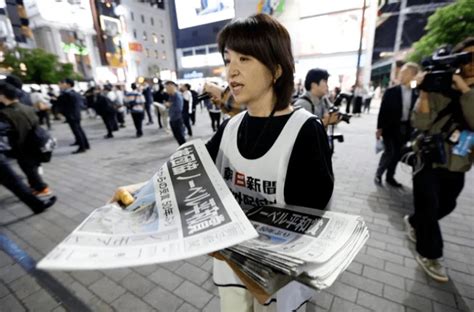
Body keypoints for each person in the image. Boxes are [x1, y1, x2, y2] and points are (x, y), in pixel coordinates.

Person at [111, 14, 333, 312]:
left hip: (278, 283)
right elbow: (189, 177)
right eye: (228, 60)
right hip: (230, 273)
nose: (232, 71)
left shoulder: (306, 129)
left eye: (245, 58)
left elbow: (309, 217)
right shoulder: (230, 127)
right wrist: (138, 194)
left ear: (276, 69)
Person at [404, 37, 474, 283]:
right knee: (429, 206)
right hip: (429, 158)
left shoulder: (469, 91)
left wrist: (465, 90)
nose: (471, 62)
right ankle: (431, 254)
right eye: (467, 57)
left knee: (447, 204)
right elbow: (420, 122)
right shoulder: (438, 84)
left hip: (458, 161)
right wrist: (424, 93)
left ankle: (414, 221)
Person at [0, 82, 53, 197]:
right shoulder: (27, 107)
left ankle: (41, 188)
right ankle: (37, 186)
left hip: (23, 147)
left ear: (3, 96)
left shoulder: (5, 113)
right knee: (32, 168)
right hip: (36, 143)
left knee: (29, 169)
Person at [375, 62, 420, 187]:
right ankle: (379, 174)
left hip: (405, 129)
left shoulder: (416, 92)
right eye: (401, 72)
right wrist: (379, 128)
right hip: (390, 128)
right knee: (390, 152)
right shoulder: (391, 91)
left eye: (405, 73)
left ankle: (390, 177)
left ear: (413, 76)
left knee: (397, 154)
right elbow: (382, 111)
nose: (401, 75)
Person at [57, 78, 90, 153]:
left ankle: (82, 147)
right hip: (76, 114)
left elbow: (64, 104)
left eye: (62, 83)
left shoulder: (68, 94)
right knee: (79, 130)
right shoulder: (73, 93)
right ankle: (85, 144)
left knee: (77, 130)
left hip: (72, 115)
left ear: (68, 84)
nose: (60, 85)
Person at [165, 81, 186, 145]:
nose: (166, 89)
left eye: (167, 87)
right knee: (177, 136)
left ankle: (185, 151)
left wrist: (170, 105)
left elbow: (179, 108)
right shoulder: (171, 95)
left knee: (180, 137)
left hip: (177, 119)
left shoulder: (177, 95)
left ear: (172, 86)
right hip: (173, 118)